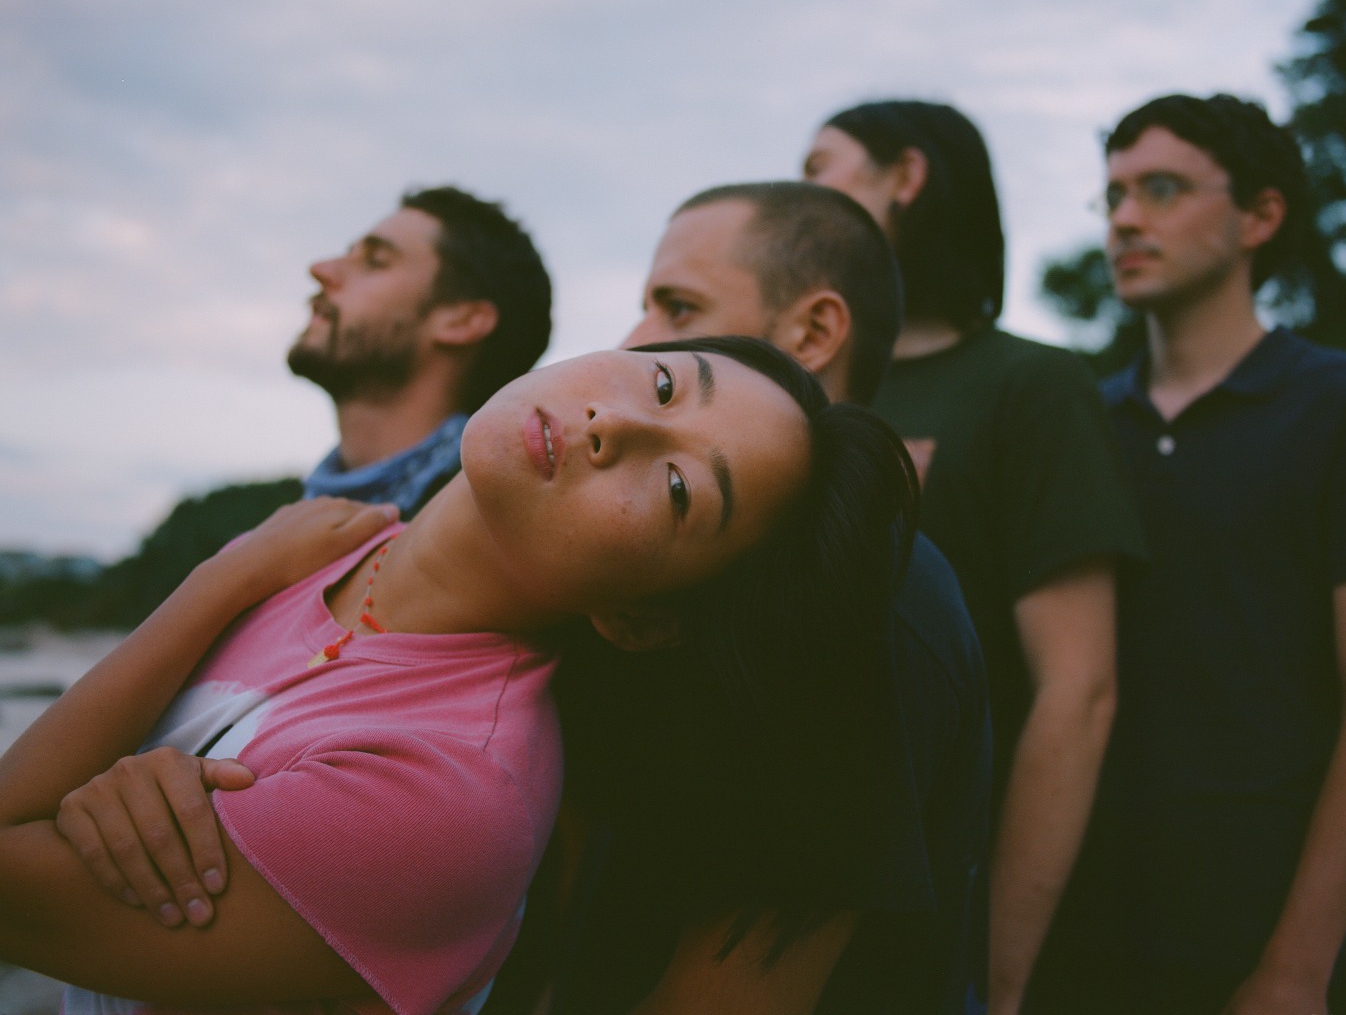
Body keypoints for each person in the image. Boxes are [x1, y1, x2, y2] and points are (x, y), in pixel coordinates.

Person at [0, 338, 919, 1015]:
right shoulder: (316, 551)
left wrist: (216, 582)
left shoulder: (447, 793)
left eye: (679, 489)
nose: (618, 424)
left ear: (639, 621)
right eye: (665, 381)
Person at [497, 181, 990, 1014]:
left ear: (815, 331)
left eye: (678, 309)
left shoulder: (877, 604)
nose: (635, 340)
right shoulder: (659, 567)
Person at [1029, 94, 1346, 1015]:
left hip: (1267, 939)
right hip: (1081, 942)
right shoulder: (1080, 423)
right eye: (1115, 196)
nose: (1126, 219)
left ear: (1260, 216)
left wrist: (1297, 966)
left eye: (1162, 189)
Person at [803, 100, 1148, 1015]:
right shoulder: (786, 401)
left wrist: (996, 976)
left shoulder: (1029, 386)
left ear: (905, 178)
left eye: (820, 168)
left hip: (931, 939)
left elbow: (1078, 693)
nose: (798, 198)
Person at [288, 186, 553, 517]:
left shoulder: (503, 532)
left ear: (462, 320)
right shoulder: (272, 542)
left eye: (376, 261)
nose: (321, 269)